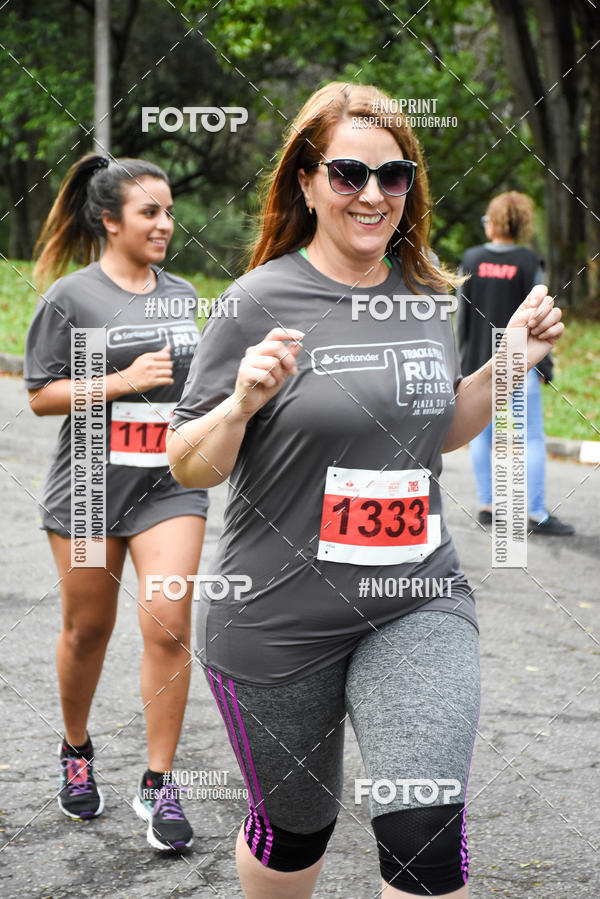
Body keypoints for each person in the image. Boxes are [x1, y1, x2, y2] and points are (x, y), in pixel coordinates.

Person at [167, 83, 564, 897]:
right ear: (307, 183)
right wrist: (241, 403)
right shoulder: (257, 301)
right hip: (276, 620)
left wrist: (510, 360)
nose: (374, 194)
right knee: (294, 834)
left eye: (395, 176)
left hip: (416, 600)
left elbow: (438, 427)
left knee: (422, 832)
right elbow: (188, 463)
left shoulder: (426, 291)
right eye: (348, 173)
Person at [24, 154, 209, 851]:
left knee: (167, 625)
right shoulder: (71, 297)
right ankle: (76, 749)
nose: (166, 223)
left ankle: (160, 784)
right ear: (110, 220)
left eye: (168, 211)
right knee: (88, 630)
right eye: (150, 212)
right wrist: (122, 379)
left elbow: (199, 389)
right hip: (90, 488)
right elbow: (40, 393)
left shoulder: (186, 293)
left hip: (170, 484)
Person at [457, 191, 574, 535]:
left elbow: (461, 316)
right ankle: (535, 513)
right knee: (530, 440)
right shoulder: (529, 261)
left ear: (492, 222)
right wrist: (545, 368)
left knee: (480, 434)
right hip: (521, 365)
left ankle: (489, 505)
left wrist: (462, 361)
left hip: (479, 363)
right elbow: (541, 319)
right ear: (522, 224)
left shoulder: (471, 258)